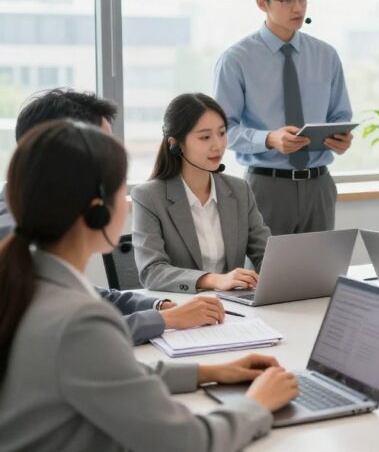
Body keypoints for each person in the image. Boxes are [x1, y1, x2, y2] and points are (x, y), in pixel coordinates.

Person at [0, 120, 298, 451]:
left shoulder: (27, 283)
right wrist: (256, 404)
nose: (127, 203)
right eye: (121, 191)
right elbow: (187, 442)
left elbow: (111, 375)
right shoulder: (77, 321)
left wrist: (212, 371)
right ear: (97, 211)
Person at [0, 88, 225, 344]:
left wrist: (158, 306)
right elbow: (74, 335)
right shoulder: (12, 235)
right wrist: (167, 320)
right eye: (101, 147)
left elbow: (84, 295)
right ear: (63, 155)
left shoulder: (41, 216)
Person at [213, 0, 352, 235]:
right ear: (262, 4)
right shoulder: (236, 59)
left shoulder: (326, 55)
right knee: (265, 277)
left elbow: (340, 115)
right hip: (266, 188)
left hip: (319, 186)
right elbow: (222, 130)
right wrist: (269, 138)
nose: (298, 7)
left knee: (320, 274)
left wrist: (341, 139)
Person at [133, 93, 271, 294]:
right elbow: (152, 272)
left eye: (222, 133)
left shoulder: (240, 190)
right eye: (205, 137)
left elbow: (266, 255)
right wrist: (214, 280)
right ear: (176, 143)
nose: (218, 145)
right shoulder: (148, 197)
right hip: (183, 309)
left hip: (235, 308)